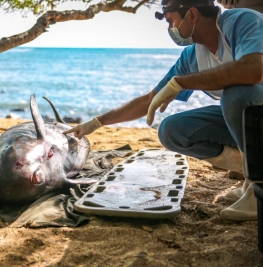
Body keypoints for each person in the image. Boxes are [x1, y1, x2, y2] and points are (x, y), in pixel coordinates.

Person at [63, 0, 263, 221]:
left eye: (170, 21)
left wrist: (183, 83)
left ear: (192, 15)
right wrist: (96, 123)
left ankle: (260, 187)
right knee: (171, 130)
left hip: (256, 111)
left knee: (235, 94)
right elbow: (151, 99)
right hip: (250, 123)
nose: (170, 30)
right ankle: (251, 173)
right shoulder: (192, 56)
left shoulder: (240, 21)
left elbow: (253, 70)